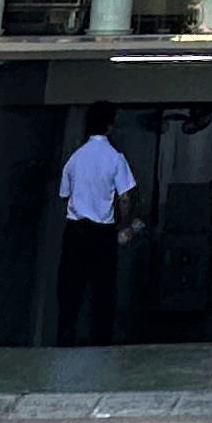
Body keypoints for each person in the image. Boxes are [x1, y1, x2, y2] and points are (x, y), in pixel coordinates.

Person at [56, 101, 135, 346]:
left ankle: (64, 343)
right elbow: (125, 197)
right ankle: (101, 345)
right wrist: (124, 226)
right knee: (103, 293)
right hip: (102, 233)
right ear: (110, 126)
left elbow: (64, 195)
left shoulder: (75, 158)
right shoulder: (115, 158)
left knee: (70, 291)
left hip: (75, 231)